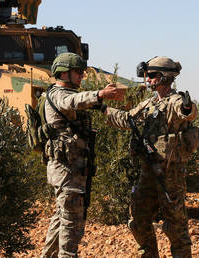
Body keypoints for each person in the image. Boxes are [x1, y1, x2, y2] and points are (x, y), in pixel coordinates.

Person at [104, 56, 199, 258]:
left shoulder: (175, 100)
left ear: (164, 76)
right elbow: (126, 119)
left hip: (170, 174)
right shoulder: (150, 103)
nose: (148, 80)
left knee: (175, 226)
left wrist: (188, 107)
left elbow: (187, 112)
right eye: (147, 76)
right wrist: (103, 108)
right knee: (137, 218)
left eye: (152, 76)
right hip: (148, 172)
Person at [41, 52, 125, 258]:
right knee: (72, 224)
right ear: (64, 74)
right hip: (66, 172)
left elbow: (80, 101)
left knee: (62, 218)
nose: (82, 76)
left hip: (69, 172)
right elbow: (74, 101)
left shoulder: (62, 94)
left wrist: (103, 103)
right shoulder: (59, 95)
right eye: (78, 72)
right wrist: (99, 94)